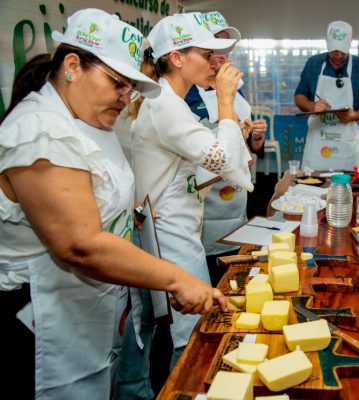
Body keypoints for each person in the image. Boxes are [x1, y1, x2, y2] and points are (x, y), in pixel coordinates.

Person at [0, 8, 227, 400]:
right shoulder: (40, 131)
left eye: (130, 87)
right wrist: (176, 279)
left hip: (88, 308)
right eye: (117, 84)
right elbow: (80, 245)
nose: (125, 98)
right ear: (72, 66)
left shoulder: (88, 121)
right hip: (40, 317)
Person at [114, 12, 252, 399]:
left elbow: (184, 174)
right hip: (169, 234)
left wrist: (231, 144)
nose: (214, 63)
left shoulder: (168, 102)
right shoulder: (165, 105)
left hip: (167, 226)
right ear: (177, 58)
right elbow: (221, 159)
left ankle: (143, 392)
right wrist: (225, 102)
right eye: (206, 55)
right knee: (191, 335)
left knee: (147, 330)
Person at [184, 11, 267, 286]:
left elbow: (248, 148)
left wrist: (255, 137)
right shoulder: (186, 93)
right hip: (205, 202)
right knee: (209, 273)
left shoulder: (235, 89)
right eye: (215, 44)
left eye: (226, 45)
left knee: (235, 265)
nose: (222, 51)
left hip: (236, 200)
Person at [295, 20, 359, 170]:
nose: (339, 55)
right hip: (317, 145)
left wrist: (355, 115)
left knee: (349, 183)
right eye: (334, 51)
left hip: (347, 144)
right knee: (312, 182)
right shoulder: (313, 64)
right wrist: (312, 106)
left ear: (350, 42)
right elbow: (299, 96)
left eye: (343, 50)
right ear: (326, 41)